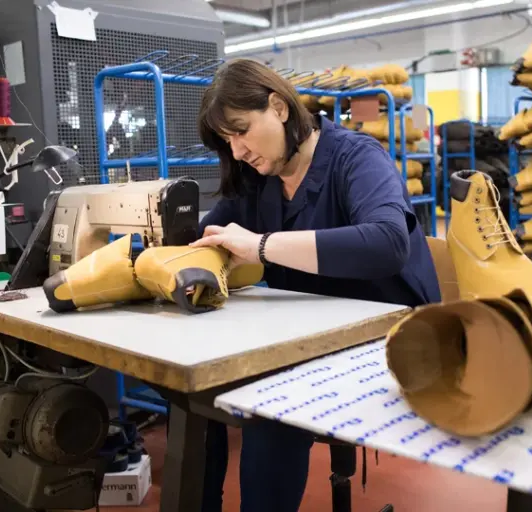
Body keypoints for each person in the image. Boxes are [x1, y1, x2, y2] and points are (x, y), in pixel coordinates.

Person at [191, 58, 441, 512]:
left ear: (278, 107)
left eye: (242, 130)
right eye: (228, 142)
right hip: (310, 342)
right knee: (194, 397)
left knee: (272, 413)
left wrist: (262, 246)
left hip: (389, 343)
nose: (239, 151)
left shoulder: (356, 158)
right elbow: (202, 237)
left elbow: (388, 243)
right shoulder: (259, 179)